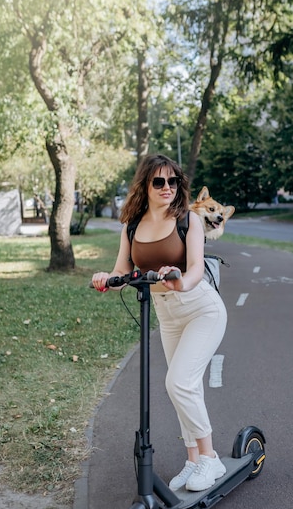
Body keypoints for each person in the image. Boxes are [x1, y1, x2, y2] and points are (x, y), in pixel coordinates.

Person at [91, 154, 228, 492]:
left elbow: (196, 267)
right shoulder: (132, 225)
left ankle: (211, 459)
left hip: (200, 309)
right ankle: (193, 460)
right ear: (145, 186)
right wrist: (107, 279)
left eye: (173, 181)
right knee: (185, 388)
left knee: (178, 383)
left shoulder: (188, 220)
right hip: (166, 316)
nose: (167, 188)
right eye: (159, 182)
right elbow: (123, 270)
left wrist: (180, 280)